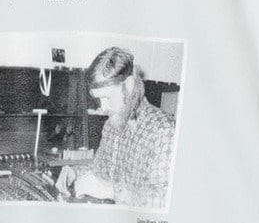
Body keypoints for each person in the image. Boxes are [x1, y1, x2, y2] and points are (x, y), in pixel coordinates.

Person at [57, 45, 175, 209]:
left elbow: (164, 200)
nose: (103, 108)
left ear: (129, 85)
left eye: (108, 98)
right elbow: (99, 169)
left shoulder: (163, 131)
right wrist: (75, 171)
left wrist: (112, 191)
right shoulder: (111, 126)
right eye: (99, 99)